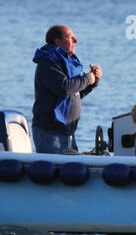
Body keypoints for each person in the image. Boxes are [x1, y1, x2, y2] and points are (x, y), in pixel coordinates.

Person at [32, 25, 101, 154]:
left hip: (68, 133)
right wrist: (88, 78)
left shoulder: (66, 63)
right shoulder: (48, 62)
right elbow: (64, 88)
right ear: (57, 41)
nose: (76, 41)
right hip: (50, 133)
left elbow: (74, 93)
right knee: (52, 172)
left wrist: (93, 82)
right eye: (70, 37)